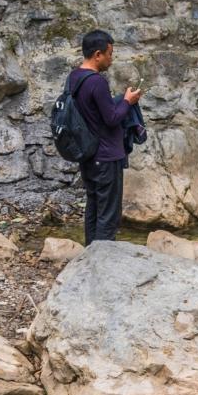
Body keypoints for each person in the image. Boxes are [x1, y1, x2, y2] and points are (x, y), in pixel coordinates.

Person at [67, 30, 141, 244]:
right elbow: (111, 118)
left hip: (88, 153)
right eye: (110, 53)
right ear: (97, 54)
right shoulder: (97, 82)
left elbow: (93, 112)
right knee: (108, 213)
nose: (111, 58)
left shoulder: (74, 77)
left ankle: (90, 253)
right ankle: (103, 262)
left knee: (93, 206)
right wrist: (128, 101)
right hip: (106, 155)